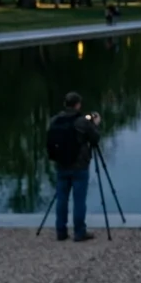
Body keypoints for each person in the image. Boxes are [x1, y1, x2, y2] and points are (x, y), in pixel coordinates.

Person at [47, 91, 101, 242]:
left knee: (62, 199)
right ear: (77, 105)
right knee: (79, 200)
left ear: (65, 104)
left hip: (61, 165)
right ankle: (79, 232)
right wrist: (95, 124)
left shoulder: (55, 120)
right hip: (79, 166)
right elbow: (95, 138)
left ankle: (61, 231)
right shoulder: (82, 121)